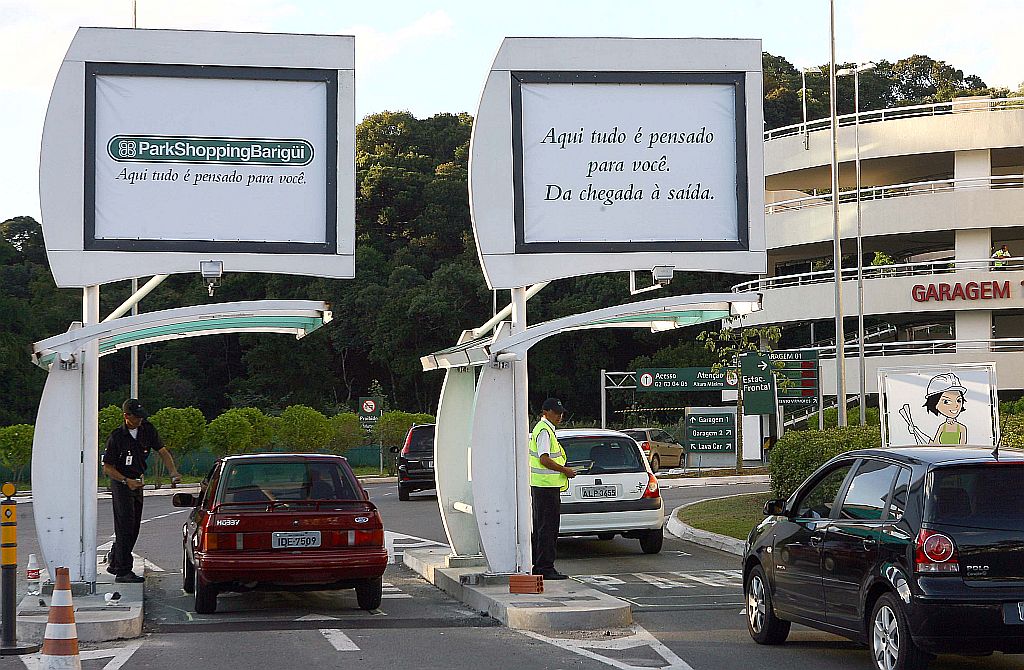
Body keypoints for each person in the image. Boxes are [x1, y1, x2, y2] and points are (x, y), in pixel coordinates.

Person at [102, 399, 182, 583]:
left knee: (134, 527)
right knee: (125, 526)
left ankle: (116, 560)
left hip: (137, 482)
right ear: (126, 416)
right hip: (121, 483)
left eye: (141, 417)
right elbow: (107, 467)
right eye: (136, 417)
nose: (140, 420)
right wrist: (126, 480)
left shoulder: (147, 430)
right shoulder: (117, 437)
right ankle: (123, 571)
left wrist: (173, 472)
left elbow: (162, 451)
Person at [529, 398, 576, 580]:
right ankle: (545, 568)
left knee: (542, 528)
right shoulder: (544, 431)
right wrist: (565, 470)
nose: (559, 416)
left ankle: (539, 565)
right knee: (548, 529)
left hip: (543, 486)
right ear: (545, 412)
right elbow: (544, 459)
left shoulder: (545, 429)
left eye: (561, 413)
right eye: (556, 413)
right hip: (546, 487)